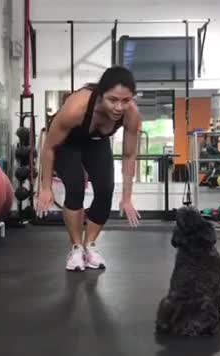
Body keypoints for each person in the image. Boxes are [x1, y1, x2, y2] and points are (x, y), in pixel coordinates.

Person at [36, 66, 142, 271]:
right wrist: (46, 187)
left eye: (125, 100)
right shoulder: (76, 108)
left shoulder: (131, 114)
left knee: (105, 189)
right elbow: (49, 147)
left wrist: (127, 197)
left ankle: (90, 246)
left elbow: (129, 155)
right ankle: (76, 248)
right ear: (101, 95)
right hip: (68, 143)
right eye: (113, 100)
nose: (119, 107)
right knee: (75, 186)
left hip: (96, 143)